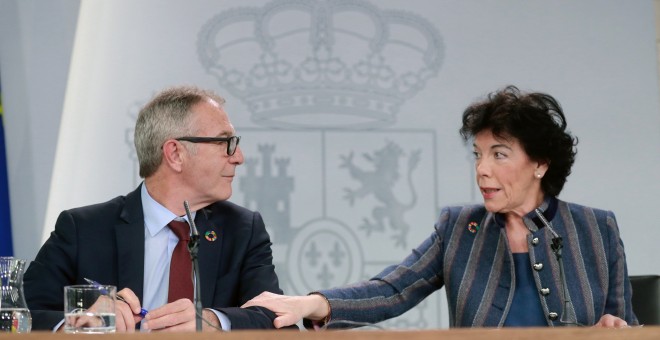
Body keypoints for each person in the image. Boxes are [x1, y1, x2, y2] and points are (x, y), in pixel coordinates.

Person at [242, 86, 638, 328]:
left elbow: (626, 324)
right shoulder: (459, 228)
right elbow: (393, 289)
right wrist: (312, 304)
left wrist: (616, 326)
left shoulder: (597, 229)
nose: (482, 169)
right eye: (478, 154)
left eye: (499, 154)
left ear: (540, 163)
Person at [24, 85, 295, 332]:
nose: (239, 157)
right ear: (175, 154)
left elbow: (276, 319)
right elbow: (20, 314)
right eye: (225, 142)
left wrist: (213, 321)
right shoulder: (83, 229)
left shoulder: (243, 230)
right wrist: (80, 321)